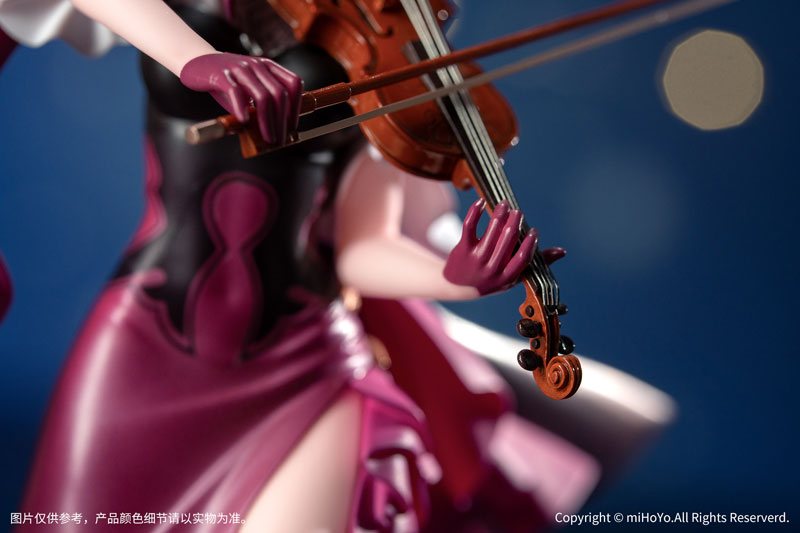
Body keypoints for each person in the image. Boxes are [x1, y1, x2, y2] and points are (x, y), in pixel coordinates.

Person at [2, 1, 598, 531]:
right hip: (144, 344)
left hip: (307, 358)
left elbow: (362, 247)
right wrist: (193, 58)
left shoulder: (376, 37)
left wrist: (451, 277)